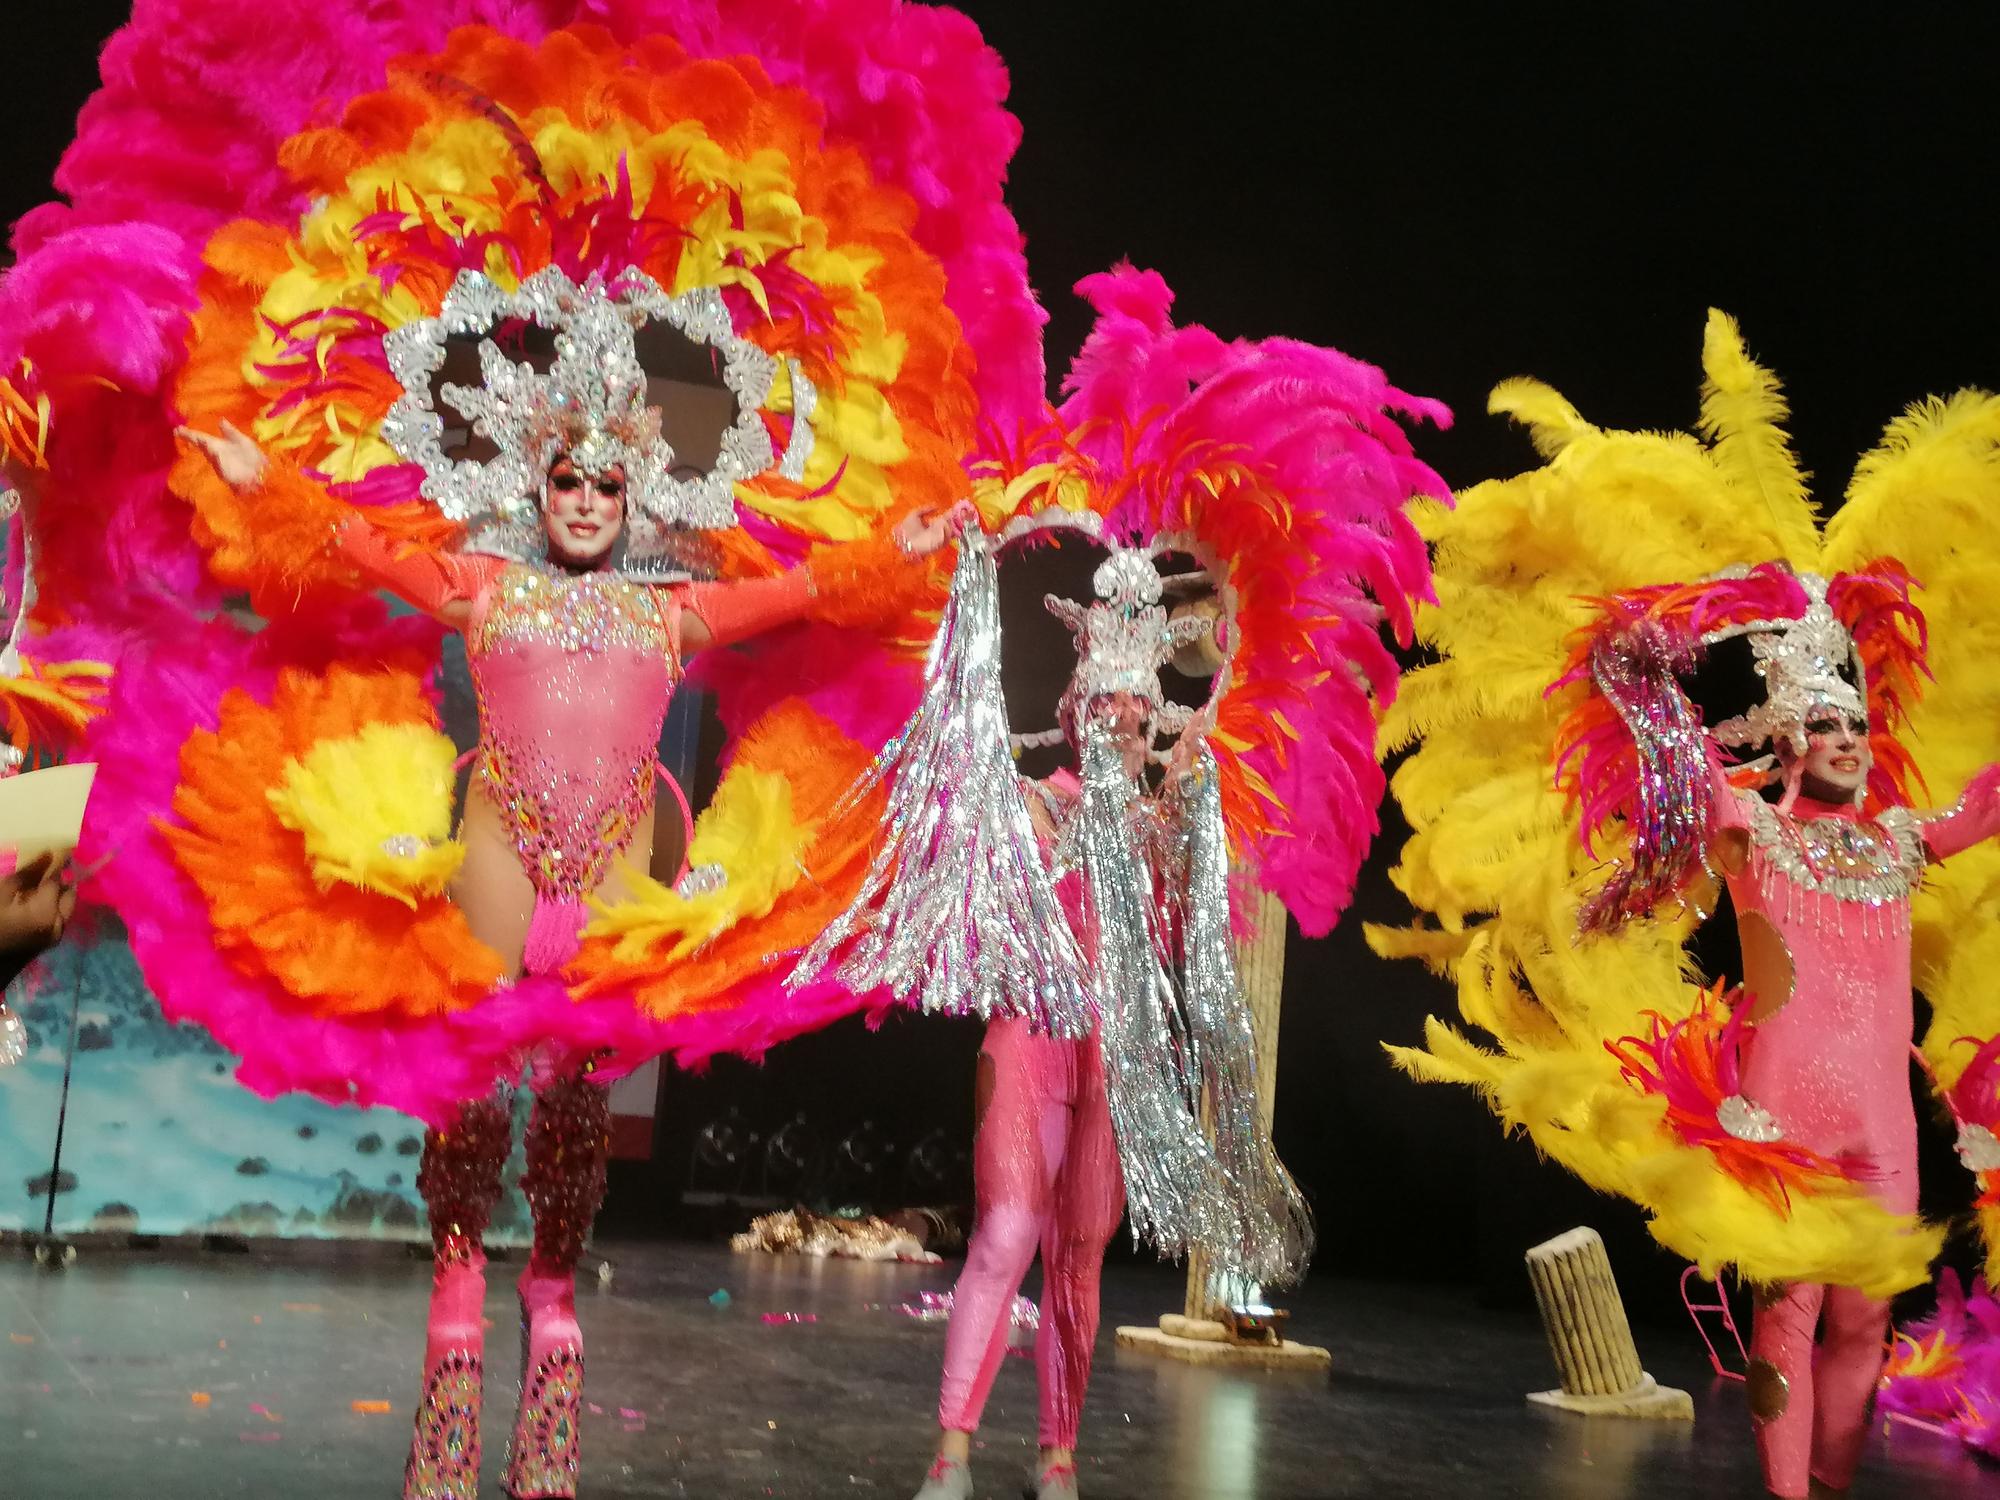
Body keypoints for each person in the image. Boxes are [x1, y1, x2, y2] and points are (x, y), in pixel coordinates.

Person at [182, 279, 964, 1500]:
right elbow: (367, 547)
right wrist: (260, 481)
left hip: (612, 881)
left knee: (575, 1117)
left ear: (632, 495)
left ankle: (551, 1317)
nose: (588, 503)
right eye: (567, 483)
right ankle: (453, 1311)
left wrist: (897, 555)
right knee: (474, 1094)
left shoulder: (677, 610)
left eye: (607, 486)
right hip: (498, 861)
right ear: (536, 489)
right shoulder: (483, 589)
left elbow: (812, 593)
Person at [1374, 310, 2000, 1500]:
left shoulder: (1902, 839)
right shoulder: (1746, 824)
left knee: (1864, 1327)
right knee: (1786, 1319)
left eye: (1860, 727)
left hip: (1879, 1122)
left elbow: (1984, 801)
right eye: (1824, 725)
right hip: (1783, 1108)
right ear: (1785, 728)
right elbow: (1623, 681)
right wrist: (1719, 605)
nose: (1848, 744)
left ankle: (1825, 1487)